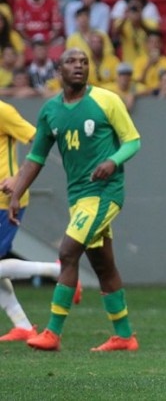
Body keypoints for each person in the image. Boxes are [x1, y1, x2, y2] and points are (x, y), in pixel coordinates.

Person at [4, 48, 142, 352]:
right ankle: (124, 336)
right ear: (59, 71)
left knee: (67, 253)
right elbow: (36, 156)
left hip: (105, 193)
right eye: (71, 62)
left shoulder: (106, 100)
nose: (79, 66)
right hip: (79, 197)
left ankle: (52, 333)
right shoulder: (51, 111)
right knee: (104, 265)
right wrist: (17, 194)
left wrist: (113, 162)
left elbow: (133, 140)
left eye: (84, 62)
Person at [0, 100, 71, 342]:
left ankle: (63, 271)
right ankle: (22, 326)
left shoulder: (3, 111)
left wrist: (18, 177)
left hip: (4, 200)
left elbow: (39, 139)